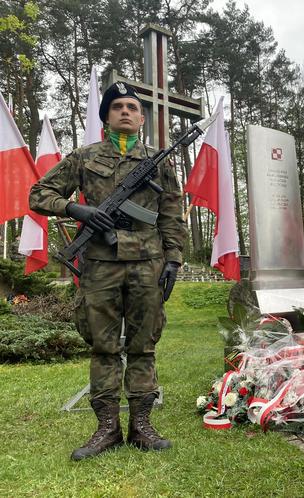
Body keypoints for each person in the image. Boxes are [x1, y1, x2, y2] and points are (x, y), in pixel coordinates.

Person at [29, 82, 186, 459]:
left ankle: (142, 426)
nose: (126, 112)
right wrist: (75, 209)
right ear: (106, 116)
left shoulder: (159, 160)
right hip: (100, 264)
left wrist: (174, 258)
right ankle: (107, 429)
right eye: (117, 107)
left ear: (142, 117)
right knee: (103, 347)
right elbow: (38, 194)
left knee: (144, 345)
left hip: (148, 264)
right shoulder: (83, 157)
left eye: (132, 107)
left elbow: (170, 213)